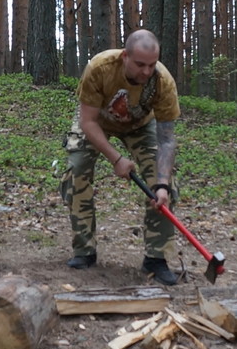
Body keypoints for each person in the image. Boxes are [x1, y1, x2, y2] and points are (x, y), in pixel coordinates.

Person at [63, 30, 183, 285]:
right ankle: (84, 250)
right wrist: (117, 158)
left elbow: (166, 139)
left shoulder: (163, 82)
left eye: (152, 64)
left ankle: (156, 259)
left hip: (141, 125)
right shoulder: (100, 67)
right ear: (125, 56)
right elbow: (87, 121)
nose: (146, 71)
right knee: (76, 170)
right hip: (98, 122)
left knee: (165, 184)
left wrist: (161, 183)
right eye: (140, 64)